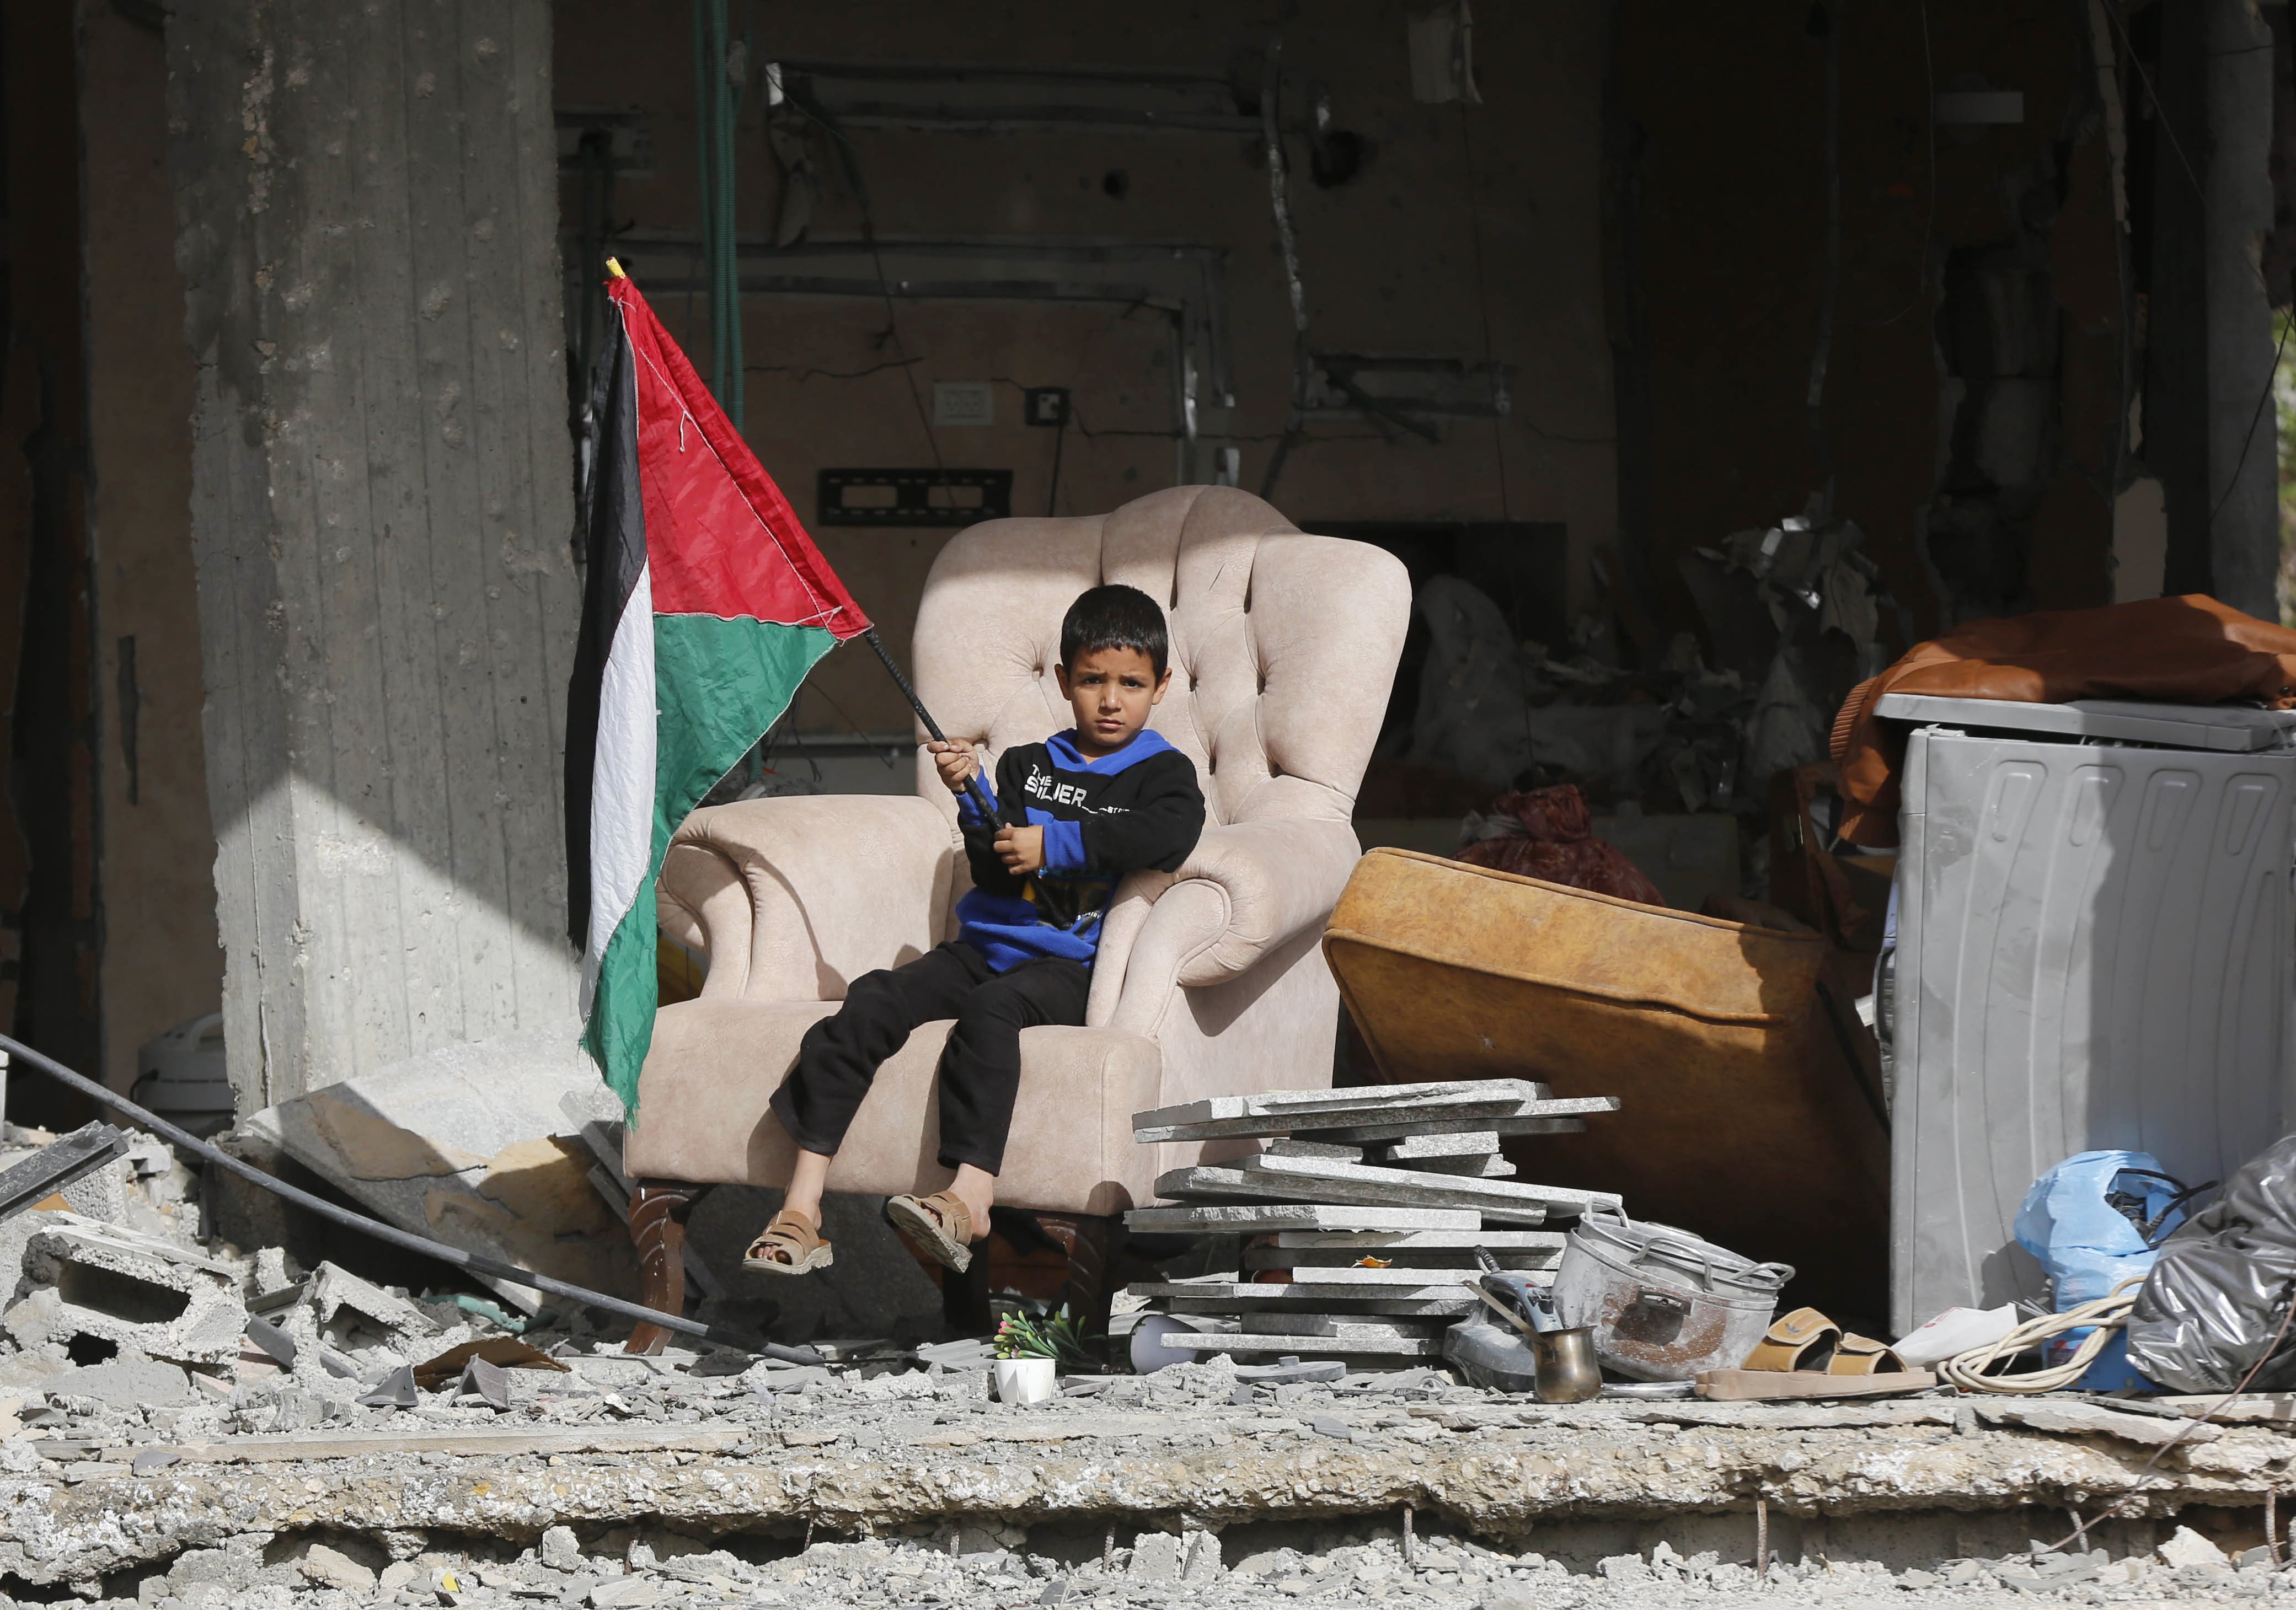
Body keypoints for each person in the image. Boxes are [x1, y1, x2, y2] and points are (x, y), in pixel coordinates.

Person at [743, 583, 1206, 1275]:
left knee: (992, 1014)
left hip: (1064, 968)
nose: (1111, 700)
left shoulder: (1161, 775)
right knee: (871, 998)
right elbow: (992, 874)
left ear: (1160, 686)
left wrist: (1053, 846)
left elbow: (1166, 834)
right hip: (981, 947)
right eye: (1092, 680)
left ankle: (968, 1197)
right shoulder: (1027, 764)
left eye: (1130, 683)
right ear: (1063, 681)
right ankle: (802, 1206)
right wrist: (972, 795)